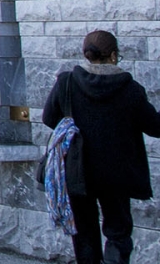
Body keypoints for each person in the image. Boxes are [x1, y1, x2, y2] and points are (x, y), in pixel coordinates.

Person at [42, 30, 160, 264]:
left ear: (86, 54)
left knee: (84, 234)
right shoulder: (130, 89)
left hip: (78, 170)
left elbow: (48, 118)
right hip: (117, 174)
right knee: (118, 232)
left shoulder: (67, 82)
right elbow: (155, 127)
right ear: (114, 56)